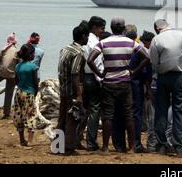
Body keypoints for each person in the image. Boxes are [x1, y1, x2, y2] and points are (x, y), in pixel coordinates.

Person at [88, 17, 149, 154]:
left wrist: (100, 73)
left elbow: (90, 60)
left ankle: (105, 148)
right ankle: (132, 147)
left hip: (108, 83)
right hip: (125, 83)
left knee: (108, 116)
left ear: (111, 28)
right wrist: (133, 72)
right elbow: (146, 57)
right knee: (129, 115)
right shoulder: (131, 42)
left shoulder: (103, 43)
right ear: (123, 28)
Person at [149, 19, 182, 158]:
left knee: (161, 111)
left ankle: (162, 145)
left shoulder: (156, 40)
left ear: (157, 28)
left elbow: (154, 64)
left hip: (163, 78)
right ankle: (179, 147)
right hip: (179, 76)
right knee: (179, 111)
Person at [57, 24, 89, 155]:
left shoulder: (65, 49)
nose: (88, 38)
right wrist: (80, 94)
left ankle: (57, 146)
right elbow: (75, 73)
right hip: (71, 91)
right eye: (87, 35)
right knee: (73, 118)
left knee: (62, 118)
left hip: (63, 89)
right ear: (83, 36)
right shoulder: (78, 52)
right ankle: (68, 147)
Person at [80, 16, 106, 151]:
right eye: (102, 28)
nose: (103, 31)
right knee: (94, 110)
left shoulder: (85, 40)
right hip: (93, 78)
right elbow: (96, 63)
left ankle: (77, 137)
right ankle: (91, 141)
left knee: (84, 110)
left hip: (85, 78)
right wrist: (101, 77)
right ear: (94, 27)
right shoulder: (95, 42)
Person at [13, 44, 39, 148]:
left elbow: (16, 80)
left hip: (19, 92)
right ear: (30, 54)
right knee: (30, 115)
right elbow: (35, 82)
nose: (34, 55)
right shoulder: (33, 67)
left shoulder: (17, 66)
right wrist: (36, 92)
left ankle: (21, 140)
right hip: (29, 93)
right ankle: (30, 141)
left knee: (19, 115)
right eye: (33, 53)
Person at [0, 33, 19, 119]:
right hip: (11, 75)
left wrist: (0, 71)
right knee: (9, 93)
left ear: (7, 41)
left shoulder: (3, 49)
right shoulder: (17, 51)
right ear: (15, 42)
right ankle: (6, 113)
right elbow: (18, 64)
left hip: (1, 72)